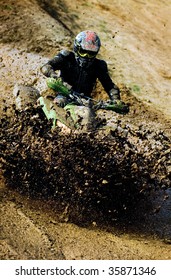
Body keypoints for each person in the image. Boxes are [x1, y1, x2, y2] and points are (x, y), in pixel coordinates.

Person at [41, 30, 124, 107]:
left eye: (91, 53)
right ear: (76, 48)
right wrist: (54, 76)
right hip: (64, 95)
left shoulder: (99, 65)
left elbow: (110, 86)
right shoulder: (67, 57)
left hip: (85, 102)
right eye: (83, 52)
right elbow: (46, 67)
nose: (87, 56)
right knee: (58, 104)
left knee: (92, 119)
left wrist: (116, 101)